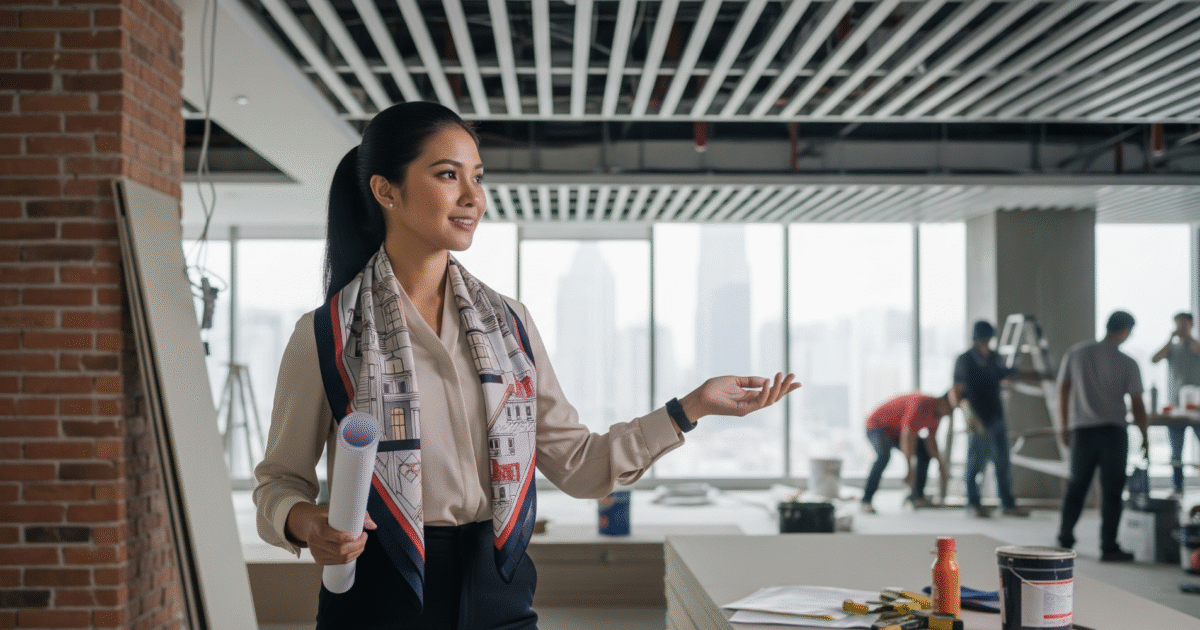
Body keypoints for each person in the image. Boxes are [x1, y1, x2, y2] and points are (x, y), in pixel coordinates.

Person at [252, 101, 800, 629]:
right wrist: (304, 521)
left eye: (478, 176)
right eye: (448, 175)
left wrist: (690, 408)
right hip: (377, 596)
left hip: (499, 591)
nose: (474, 197)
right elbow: (279, 482)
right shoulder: (328, 333)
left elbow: (581, 466)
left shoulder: (509, 325)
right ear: (385, 191)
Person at [1056, 310, 1148, 562]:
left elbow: (1063, 390)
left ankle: (1065, 538)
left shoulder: (1077, 353)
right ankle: (1109, 547)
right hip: (1114, 434)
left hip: (1082, 431)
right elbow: (1137, 404)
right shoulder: (1128, 362)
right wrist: (1145, 436)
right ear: (1125, 331)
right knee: (1112, 491)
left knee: (1077, 485)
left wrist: (1064, 425)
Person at [952, 320, 1032, 519]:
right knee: (975, 462)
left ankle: (1007, 503)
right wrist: (966, 415)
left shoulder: (995, 358)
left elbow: (1005, 374)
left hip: (997, 416)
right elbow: (957, 389)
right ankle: (973, 503)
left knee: (1003, 461)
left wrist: (1035, 374)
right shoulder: (965, 359)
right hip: (978, 418)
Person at [860, 392, 954, 514]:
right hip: (877, 426)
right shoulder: (921, 403)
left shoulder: (937, 415)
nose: (949, 413)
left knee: (924, 452)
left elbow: (930, 441)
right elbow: (907, 435)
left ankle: (917, 497)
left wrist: (941, 465)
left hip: (897, 432)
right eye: (950, 409)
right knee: (884, 456)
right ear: (943, 401)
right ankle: (866, 500)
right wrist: (909, 469)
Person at [1151, 312, 1200, 498]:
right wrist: (1170, 339)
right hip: (1175, 408)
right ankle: (1178, 487)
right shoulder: (1172, 348)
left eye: (1184, 325)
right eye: (1178, 324)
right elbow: (1154, 359)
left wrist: (1190, 339)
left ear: (1191, 325)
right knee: (1176, 452)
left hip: (1197, 408)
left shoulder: (1196, 345)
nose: (1181, 328)